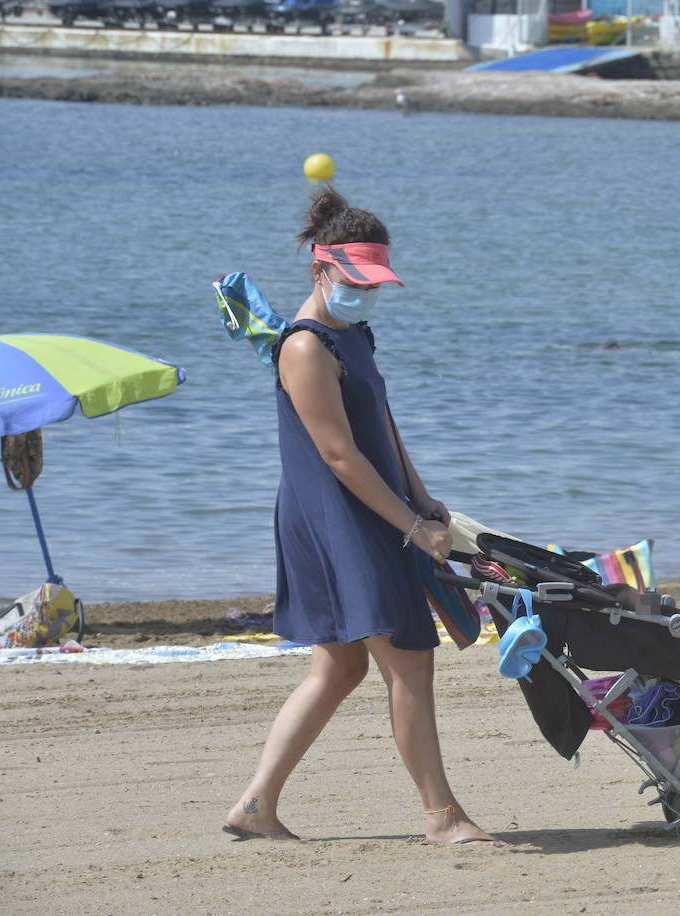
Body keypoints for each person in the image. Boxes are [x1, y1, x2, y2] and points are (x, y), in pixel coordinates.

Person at [224, 186, 498, 846]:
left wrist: (423, 496)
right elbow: (340, 455)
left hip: (374, 508)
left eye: (373, 281)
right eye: (354, 279)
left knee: (340, 667)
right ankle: (443, 816)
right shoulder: (304, 348)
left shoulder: (353, 336)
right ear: (321, 269)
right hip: (336, 518)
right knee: (408, 661)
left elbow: (380, 423)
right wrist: (411, 526)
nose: (365, 291)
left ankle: (256, 807)